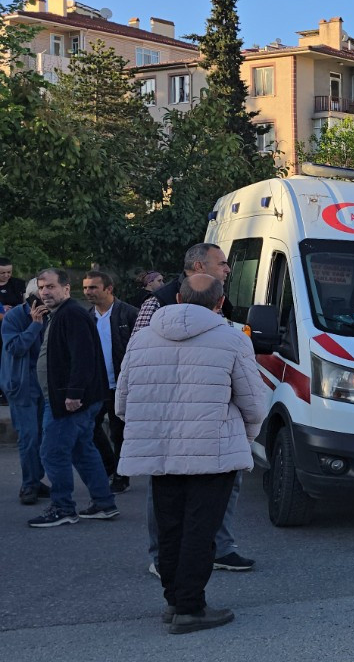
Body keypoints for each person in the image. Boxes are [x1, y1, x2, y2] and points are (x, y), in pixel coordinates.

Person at [117, 274, 269, 634]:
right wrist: (244, 437)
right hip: (213, 450)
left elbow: (123, 403)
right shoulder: (233, 339)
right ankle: (191, 607)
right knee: (202, 530)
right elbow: (253, 403)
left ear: (180, 296)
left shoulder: (142, 339)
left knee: (169, 527)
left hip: (160, 450)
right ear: (220, 303)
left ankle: (173, 601)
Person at [134, 243, 254, 574]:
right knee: (165, 496)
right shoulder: (155, 302)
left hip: (212, 418)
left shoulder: (221, 301)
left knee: (223, 490)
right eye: (223, 263)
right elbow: (139, 363)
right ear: (200, 265)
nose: (228, 269)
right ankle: (163, 558)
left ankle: (219, 548)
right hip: (169, 419)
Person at [27, 269, 117, 527]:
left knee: (52, 453)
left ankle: (63, 508)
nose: (45, 292)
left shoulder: (72, 314)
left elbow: (84, 357)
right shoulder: (62, 314)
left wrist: (74, 394)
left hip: (68, 401)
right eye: (42, 287)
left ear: (66, 289)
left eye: (51, 287)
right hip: (69, 398)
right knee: (83, 450)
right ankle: (104, 502)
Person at [82, 271, 139, 493]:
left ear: (109, 289)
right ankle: (110, 467)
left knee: (119, 432)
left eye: (93, 287)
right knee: (90, 427)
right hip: (96, 385)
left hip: (122, 384)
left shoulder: (128, 314)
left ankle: (121, 476)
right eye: (85, 288)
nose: (88, 292)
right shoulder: (87, 317)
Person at [1, 278, 50, 504]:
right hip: (21, 385)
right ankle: (29, 484)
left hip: (45, 385)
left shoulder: (54, 316)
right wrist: (34, 325)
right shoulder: (14, 317)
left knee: (42, 436)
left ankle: (36, 479)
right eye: (40, 297)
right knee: (29, 436)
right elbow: (15, 347)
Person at [0, 257, 27, 405]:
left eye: (8, 272)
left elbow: (24, 303)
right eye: (2, 273)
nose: (6, 275)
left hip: (13, 326)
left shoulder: (17, 284)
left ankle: (8, 391)